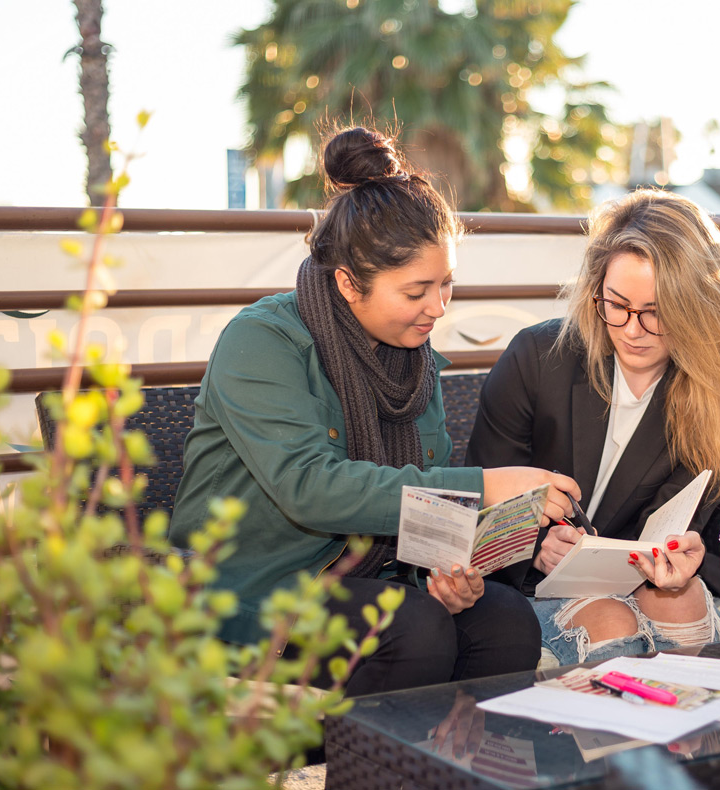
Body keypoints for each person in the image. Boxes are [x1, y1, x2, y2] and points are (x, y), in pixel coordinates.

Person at [168, 124, 579, 697]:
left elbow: (417, 510)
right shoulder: (262, 341)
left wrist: (442, 575)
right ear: (347, 283)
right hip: (254, 588)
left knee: (504, 622)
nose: (437, 307)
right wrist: (484, 486)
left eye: (446, 285)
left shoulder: (416, 361)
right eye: (416, 292)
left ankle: (455, 768)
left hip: (370, 578)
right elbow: (310, 487)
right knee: (413, 630)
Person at [466, 189, 720, 665]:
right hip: (527, 581)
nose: (631, 329)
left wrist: (676, 557)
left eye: (656, 312)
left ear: (698, 307)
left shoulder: (719, 390)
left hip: (638, 575)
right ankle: (627, 737)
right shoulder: (537, 359)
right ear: (595, 291)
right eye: (617, 304)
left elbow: (679, 519)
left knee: (679, 598)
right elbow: (479, 505)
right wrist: (538, 547)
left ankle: (690, 736)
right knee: (609, 618)